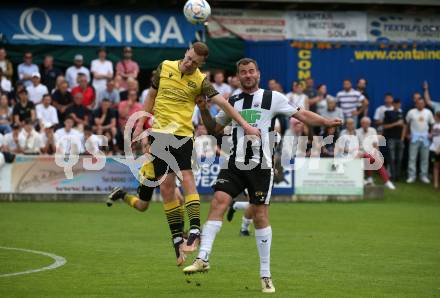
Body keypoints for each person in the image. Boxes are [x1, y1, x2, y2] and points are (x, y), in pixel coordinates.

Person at [182, 58, 341, 293]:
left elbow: (302, 114)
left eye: (251, 71)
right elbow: (215, 128)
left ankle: (265, 275)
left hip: (261, 165)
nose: (247, 75)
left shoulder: (273, 98)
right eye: (243, 72)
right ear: (238, 76)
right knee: (218, 202)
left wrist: (326, 121)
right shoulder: (232, 100)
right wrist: (204, 108)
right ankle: (203, 257)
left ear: (258, 73)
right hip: (234, 162)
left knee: (259, 214)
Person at [107, 43, 261, 267]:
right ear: (187, 52)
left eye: (195, 63)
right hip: (158, 135)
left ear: (201, 64)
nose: (189, 64)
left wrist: (245, 125)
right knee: (164, 191)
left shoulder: (200, 80)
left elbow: (224, 105)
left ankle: (195, 229)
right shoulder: (164, 67)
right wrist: (140, 123)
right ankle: (177, 239)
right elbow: (151, 95)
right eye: (188, 58)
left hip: (181, 135)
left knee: (187, 179)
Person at [405, 98, 435, 183]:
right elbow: (407, 124)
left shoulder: (428, 112)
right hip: (414, 137)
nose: (420, 105)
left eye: (422, 103)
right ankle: (411, 176)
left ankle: (424, 176)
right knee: (412, 158)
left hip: (425, 138)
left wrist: (431, 134)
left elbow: (432, 124)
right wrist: (407, 134)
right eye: (418, 103)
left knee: (424, 158)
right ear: (416, 104)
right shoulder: (411, 112)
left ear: (424, 104)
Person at [383, 98, 405, 181]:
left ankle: (398, 176)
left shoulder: (402, 113)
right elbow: (385, 126)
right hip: (391, 138)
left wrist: (402, 138)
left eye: (399, 104)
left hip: (400, 139)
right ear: (393, 105)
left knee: (400, 158)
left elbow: (404, 126)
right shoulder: (388, 113)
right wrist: (396, 123)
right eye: (396, 104)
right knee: (392, 158)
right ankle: (392, 176)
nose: (397, 105)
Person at [430, 111, 440, 189]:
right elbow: (432, 136)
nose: (434, 117)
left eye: (435, 116)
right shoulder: (434, 125)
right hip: (433, 149)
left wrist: (439, 148)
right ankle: (436, 183)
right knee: (435, 165)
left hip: (438, 149)